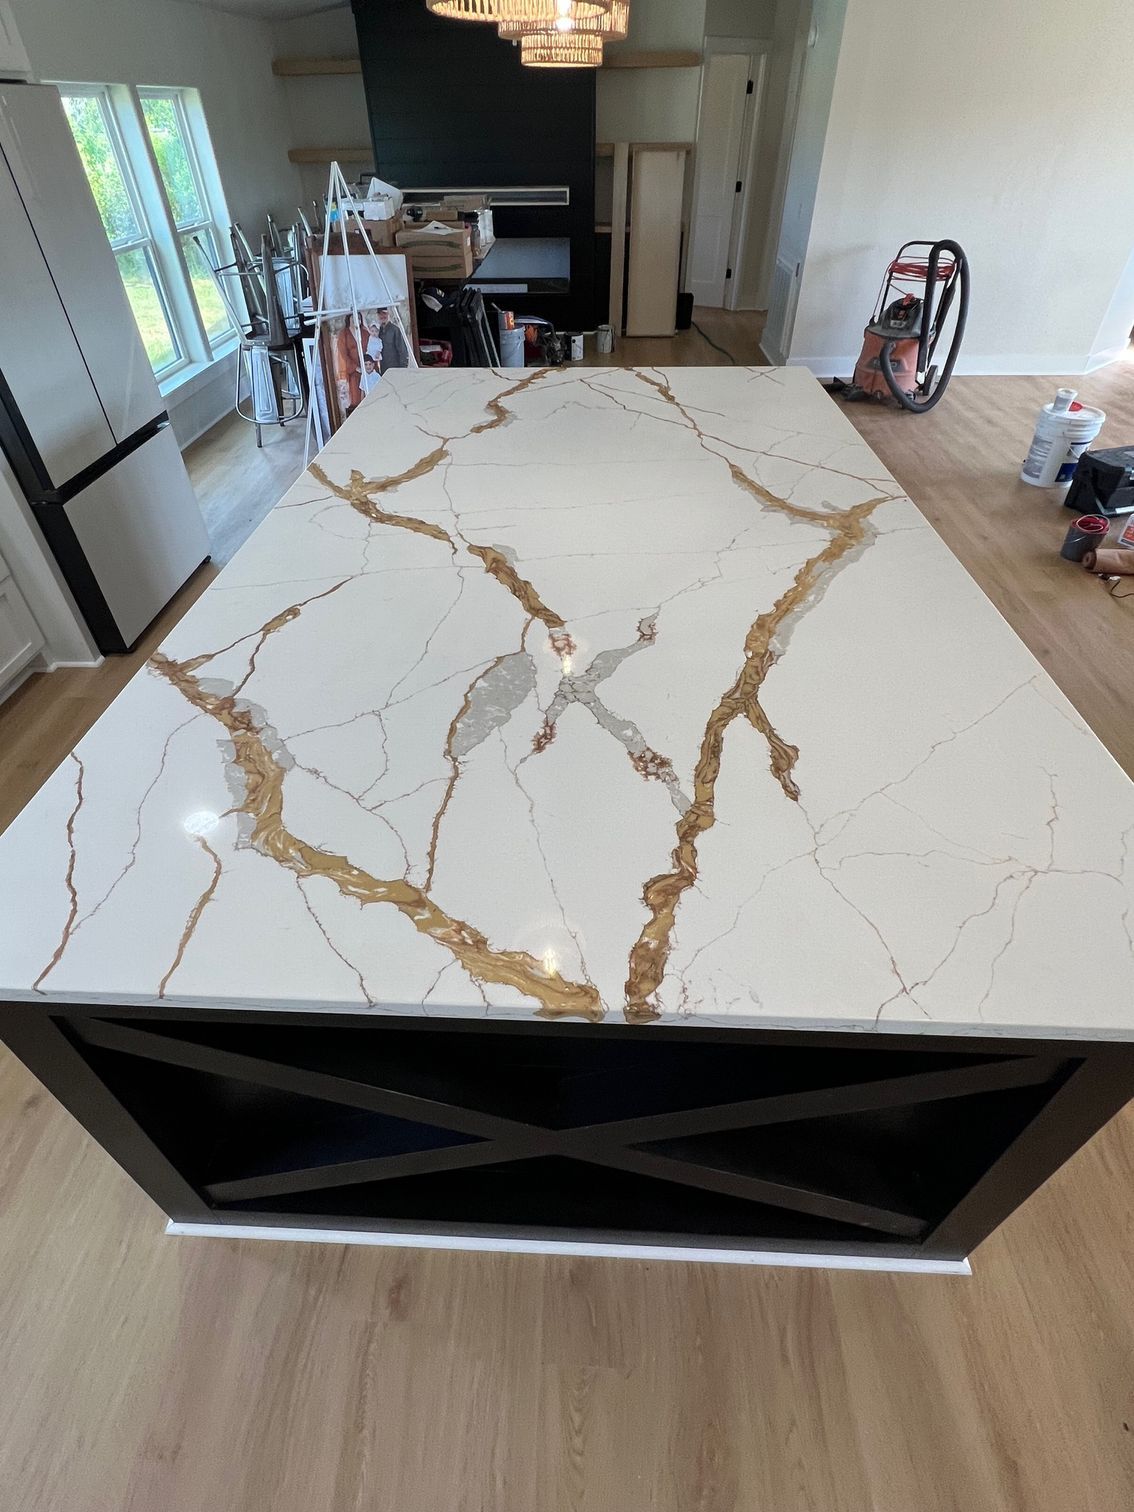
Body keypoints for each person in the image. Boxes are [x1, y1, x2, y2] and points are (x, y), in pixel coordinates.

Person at [375, 306, 410, 373]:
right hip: (383, 369)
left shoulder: (395, 330)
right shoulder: (378, 331)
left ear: (388, 314)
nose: (382, 316)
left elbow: (402, 350)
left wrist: (403, 368)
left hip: (395, 368)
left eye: (384, 313)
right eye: (380, 314)